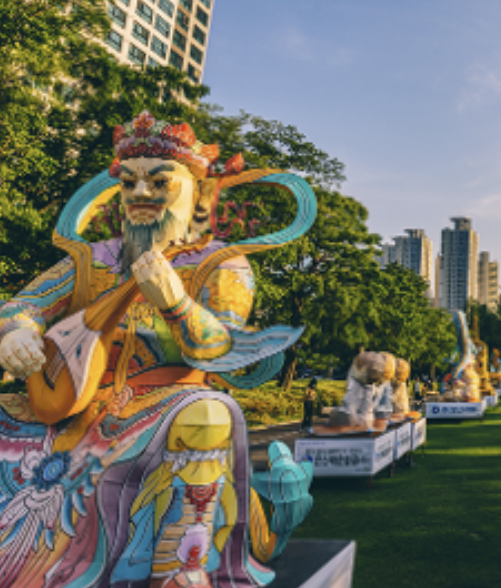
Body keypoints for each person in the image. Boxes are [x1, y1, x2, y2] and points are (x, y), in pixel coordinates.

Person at [0, 112, 315, 587]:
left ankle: (181, 566)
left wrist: (175, 303)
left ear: (199, 193)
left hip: (169, 401)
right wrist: (17, 332)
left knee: (208, 414)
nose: (141, 194)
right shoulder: (93, 258)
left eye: (159, 181)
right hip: (74, 403)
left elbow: (221, 346)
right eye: (128, 184)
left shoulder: (221, 264)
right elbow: (26, 303)